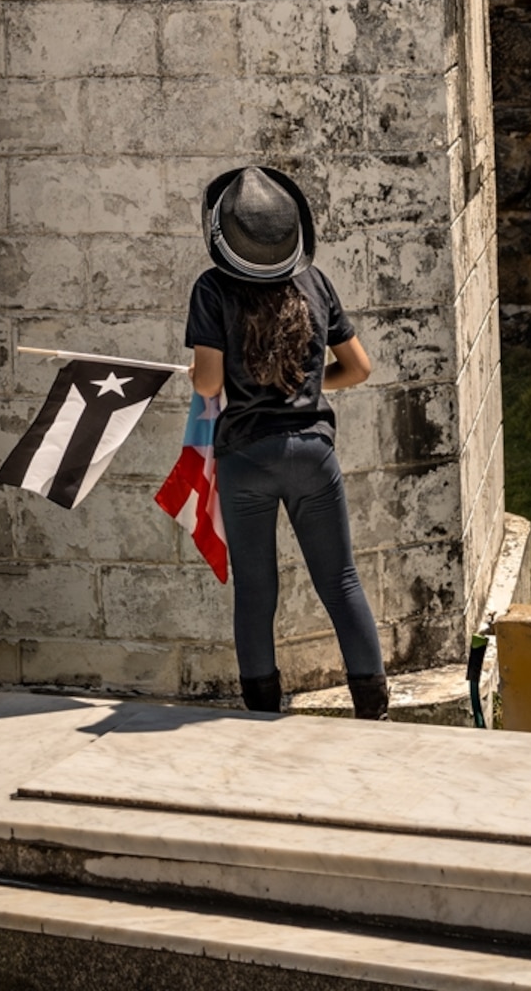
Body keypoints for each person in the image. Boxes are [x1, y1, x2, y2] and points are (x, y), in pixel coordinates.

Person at [182, 163, 387, 719]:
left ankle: (263, 716)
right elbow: (359, 367)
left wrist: (204, 372)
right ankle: (375, 712)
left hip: (247, 458)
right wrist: (300, 382)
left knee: (255, 591)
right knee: (341, 581)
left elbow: (208, 384)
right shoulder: (315, 283)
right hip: (312, 454)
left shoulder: (212, 288)